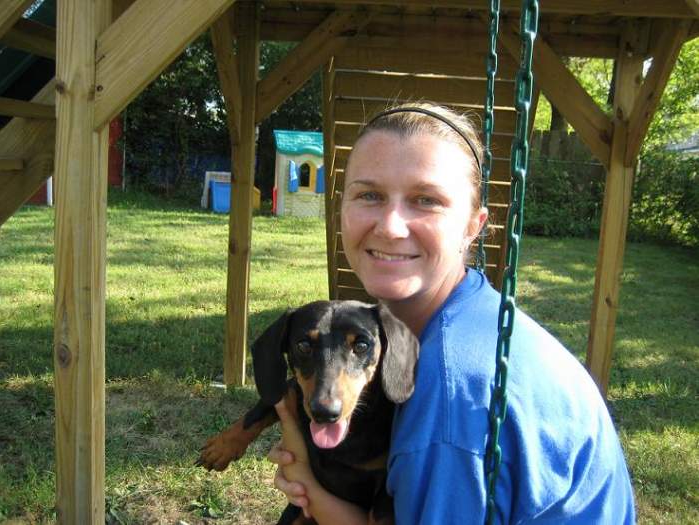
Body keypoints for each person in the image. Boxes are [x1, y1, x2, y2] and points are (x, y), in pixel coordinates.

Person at [268, 102, 636, 524]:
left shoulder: (451, 391)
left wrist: (312, 492)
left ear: (473, 227)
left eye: (426, 200)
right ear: (341, 210)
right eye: (369, 194)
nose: (390, 226)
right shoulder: (475, 314)